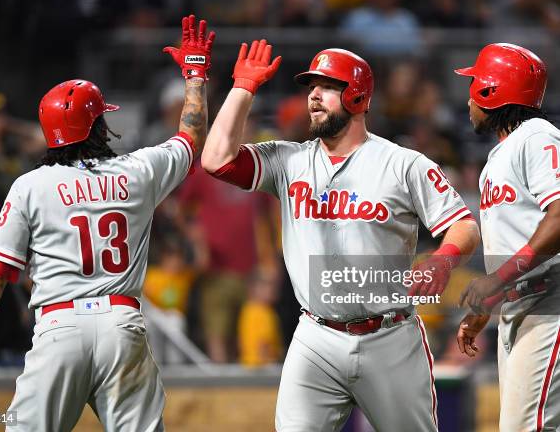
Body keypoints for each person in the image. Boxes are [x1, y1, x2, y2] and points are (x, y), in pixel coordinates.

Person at [0, 14, 214, 432]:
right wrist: (195, 74)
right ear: (98, 125)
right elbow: (190, 137)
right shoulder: (138, 170)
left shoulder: (30, 186)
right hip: (121, 328)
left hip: (59, 329)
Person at [201, 42, 480, 431]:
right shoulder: (289, 160)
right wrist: (243, 88)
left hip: (389, 336)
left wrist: (443, 258)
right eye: (310, 86)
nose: (313, 95)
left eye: (328, 85)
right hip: (315, 337)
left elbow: (464, 224)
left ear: (358, 95)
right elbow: (215, 160)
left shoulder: (401, 163)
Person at [456, 43, 560, 431]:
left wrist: (497, 281)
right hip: (522, 303)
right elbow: (517, 237)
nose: (468, 98)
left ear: (490, 91)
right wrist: (490, 302)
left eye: (474, 84)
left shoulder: (537, 137)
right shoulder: (499, 156)